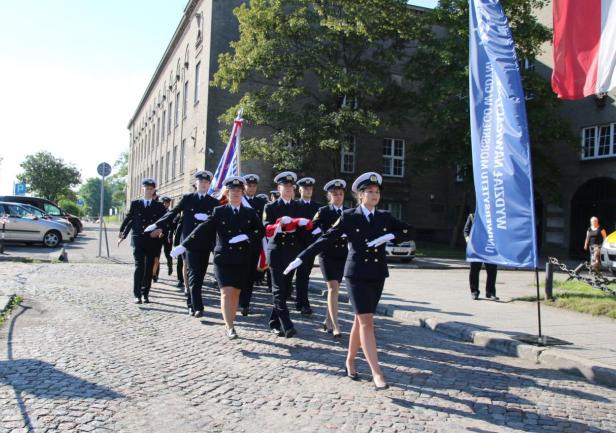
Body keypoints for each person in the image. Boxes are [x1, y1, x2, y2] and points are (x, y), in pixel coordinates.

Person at [285, 172, 412, 390]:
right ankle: (377, 372)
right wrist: (301, 258)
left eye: (377, 192)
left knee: (359, 320)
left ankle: (350, 360)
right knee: (367, 322)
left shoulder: (384, 217)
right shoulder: (349, 217)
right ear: (360, 195)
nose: (374, 195)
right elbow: (325, 239)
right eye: (370, 191)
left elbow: (409, 230)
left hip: (377, 274)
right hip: (356, 275)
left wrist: (390, 236)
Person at [172, 176, 265, 339]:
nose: (235, 193)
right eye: (232, 191)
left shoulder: (249, 213)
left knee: (235, 293)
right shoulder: (219, 211)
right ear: (227, 194)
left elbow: (260, 231)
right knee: (226, 292)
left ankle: (231, 321)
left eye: (239, 190)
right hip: (223, 258)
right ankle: (230, 326)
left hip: (242, 258)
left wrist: (247, 236)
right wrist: (184, 245)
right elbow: (203, 228)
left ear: (242, 193)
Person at [146, 170, 219, 318]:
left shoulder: (213, 202)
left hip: (205, 243)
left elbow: (218, 223)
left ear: (209, 184)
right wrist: (157, 224)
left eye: (206, 182)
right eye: (201, 181)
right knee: (193, 273)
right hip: (188, 243)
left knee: (200, 275)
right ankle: (196, 306)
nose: (203, 184)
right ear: (196, 183)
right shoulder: (187, 199)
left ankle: (192, 303)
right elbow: (172, 213)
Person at [262, 171, 311, 338]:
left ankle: (274, 321)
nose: (289, 189)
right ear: (279, 188)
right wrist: (280, 224)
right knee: (278, 289)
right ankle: (287, 324)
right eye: (285, 186)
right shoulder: (271, 207)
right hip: (276, 251)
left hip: (292, 253)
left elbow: (303, 233)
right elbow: (266, 229)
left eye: (291, 186)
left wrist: (306, 225)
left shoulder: (298, 207)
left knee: (286, 289)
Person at [119, 178, 167, 304]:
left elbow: (165, 221)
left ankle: (145, 293)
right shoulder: (136, 203)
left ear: (154, 190)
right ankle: (137, 294)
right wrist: (122, 231)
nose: (149, 191)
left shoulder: (159, 206)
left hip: (152, 240)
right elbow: (129, 218)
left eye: (151, 189)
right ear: (143, 189)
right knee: (139, 266)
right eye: (147, 189)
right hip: (138, 239)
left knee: (149, 267)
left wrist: (160, 229)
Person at [311, 179, 349, 340]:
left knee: (336, 289)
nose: (338, 197)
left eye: (340, 194)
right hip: (327, 254)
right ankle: (336, 324)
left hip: (342, 254)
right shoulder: (323, 211)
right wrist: (326, 233)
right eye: (335, 194)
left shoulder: (348, 212)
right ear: (329, 196)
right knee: (333, 288)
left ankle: (328, 320)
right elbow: (312, 227)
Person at [239, 174, 268, 316]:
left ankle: (245, 304)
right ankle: (237, 299)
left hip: (255, 242)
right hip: (240, 242)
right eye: (249, 185)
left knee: (250, 275)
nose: (251, 188)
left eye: (254, 186)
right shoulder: (239, 200)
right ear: (244, 187)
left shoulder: (262, 203)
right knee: (239, 273)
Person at [294, 177, 321, 315]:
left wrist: (317, 232)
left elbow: (321, 225)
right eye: (305, 188)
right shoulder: (294, 205)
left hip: (310, 245)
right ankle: (291, 300)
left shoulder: (317, 207)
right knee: (291, 275)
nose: (308, 191)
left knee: (304, 275)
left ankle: (302, 302)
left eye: (310, 189)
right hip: (295, 244)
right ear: (300, 190)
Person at [464, 213, 498, 301]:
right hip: (476, 248)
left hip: (489, 248)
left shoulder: (492, 216)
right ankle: (474, 292)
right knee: (474, 271)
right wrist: (468, 240)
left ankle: (490, 292)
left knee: (492, 271)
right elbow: (466, 231)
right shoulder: (472, 216)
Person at [152, 196, 174, 282]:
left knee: (167, 253)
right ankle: (155, 275)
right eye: (164, 203)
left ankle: (170, 265)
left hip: (167, 236)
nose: (165, 204)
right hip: (158, 237)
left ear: (169, 204)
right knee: (156, 256)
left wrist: (165, 233)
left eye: (167, 203)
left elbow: (171, 225)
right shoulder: (157, 212)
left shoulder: (171, 213)